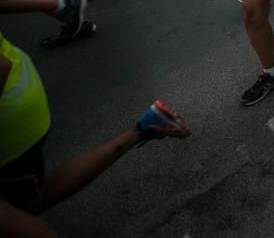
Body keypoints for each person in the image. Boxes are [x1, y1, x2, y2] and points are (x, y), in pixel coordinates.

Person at [0, 29, 191, 234]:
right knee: (34, 199)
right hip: (17, 97)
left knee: (26, 211)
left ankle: (146, 128)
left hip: (10, 111)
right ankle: (145, 128)